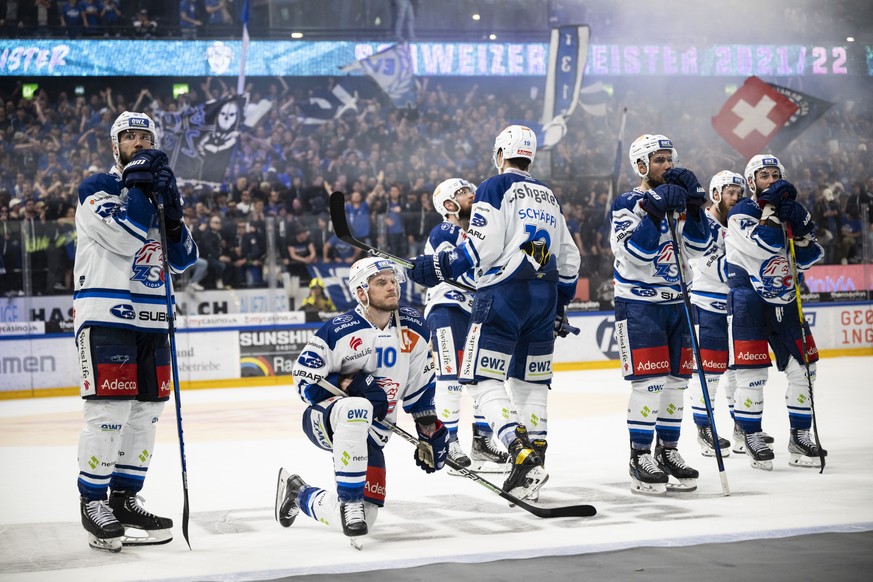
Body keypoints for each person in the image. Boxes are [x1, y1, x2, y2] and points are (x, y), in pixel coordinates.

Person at [407, 125, 581, 501]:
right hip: (544, 297)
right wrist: (560, 303)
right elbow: (570, 258)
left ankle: (520, 454)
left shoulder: (494, 187)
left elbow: (481, 250)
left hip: (504, 296)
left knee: (479, 379)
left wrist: (435, 268)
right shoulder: (549, 196)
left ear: (501, 154)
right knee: (530, 385)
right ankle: (536, 460)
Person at [73, 111, 198, 551]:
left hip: (154, 318)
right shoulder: (96, 188)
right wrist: (141, 186)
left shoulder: (157, 192)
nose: (138, 142)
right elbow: (125, 237)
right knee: (109, 415)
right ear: (115, 145)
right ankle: (93, 501)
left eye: (145, 136)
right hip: (107, 313)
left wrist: (174, 213)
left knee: (145, 415)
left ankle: (124, 498)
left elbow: (184, 259)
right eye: (129, 137)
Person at [277, 257, 447, 542]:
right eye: (381, 282)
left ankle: (298, 493)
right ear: (361, 293)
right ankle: (350, 500)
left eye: (393, 281)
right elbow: (303, 378)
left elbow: (420, 386)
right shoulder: (339, 330)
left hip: (375, 434)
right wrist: (349, 383)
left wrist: (429, 429)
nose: (392, 287)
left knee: (366, 520)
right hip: (327, 420)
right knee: (358, 406)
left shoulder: (415, 327)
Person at [610, 134, 712, 496]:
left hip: (678, 302)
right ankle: (639, 455)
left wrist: (697, 208)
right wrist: (653, 210)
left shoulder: (680, 203)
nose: (667, 165)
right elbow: (635, 254)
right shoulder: (627, 202)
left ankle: (667, 450)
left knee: (676, 384)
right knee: (649, 384)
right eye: (659, 160)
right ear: (641, 166)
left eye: (670, 159)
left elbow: (701, 249)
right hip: (638, 303)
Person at [725, 154, 826, 470]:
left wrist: (803, 230)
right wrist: (771, 211)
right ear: (752, 182)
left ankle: (800, 435)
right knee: (752, 375)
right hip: (749, 303)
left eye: (775, 174)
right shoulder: (741, 213)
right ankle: (751, 435)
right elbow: (766, 243)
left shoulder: (787, 213)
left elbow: (811, 256)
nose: (771, 180)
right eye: (764, 175)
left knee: (805, 370)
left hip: (787, 301)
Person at [422, 177, 509, 473]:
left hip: (475, 307)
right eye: (462, 192)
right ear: (449, 205)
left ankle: (482, 442)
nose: (471, 194)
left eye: (470, 189)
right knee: (450, 377)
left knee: (482, 376)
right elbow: (450, 262)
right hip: (447, 305)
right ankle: (448, 443)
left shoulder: (484, 231)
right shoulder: (445, 228)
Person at [687, 170, 774, 458]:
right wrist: (742, 267)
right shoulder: (701, 222)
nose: (736, 197)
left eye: (739, 192)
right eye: (730, 192)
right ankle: (705, 429)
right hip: (706, 304)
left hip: (736, 305)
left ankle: (741, 428)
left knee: (738, 371)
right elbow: (706, 261)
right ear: (715, 194)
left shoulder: (738, 222)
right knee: (709, 372)